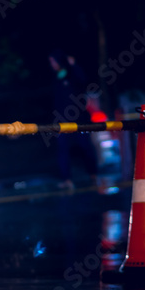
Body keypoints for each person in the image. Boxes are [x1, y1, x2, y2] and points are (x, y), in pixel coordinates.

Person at [48, 49, 99, 191]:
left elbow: (83, 82)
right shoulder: (56, 77)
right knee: (62, 149)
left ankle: (93, 175)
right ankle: (67, 179)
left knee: (85, 146)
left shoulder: (73, 73)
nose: (52, 64)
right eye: (50, 62)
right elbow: (56, 100)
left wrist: (74, 65)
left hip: (78, 119)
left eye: (53, 61)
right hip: (62, 121)